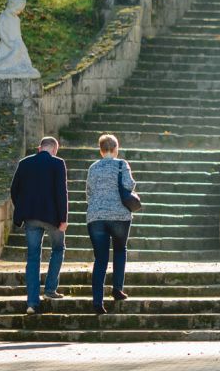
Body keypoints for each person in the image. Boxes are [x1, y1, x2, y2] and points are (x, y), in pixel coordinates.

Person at [10, 136, 69, 315]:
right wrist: (64, 218)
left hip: (30, 218)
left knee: (33, 258)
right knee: (58, 249)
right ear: (54, 149)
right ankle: (50, 289)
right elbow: (61, 192)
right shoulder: (58, 164)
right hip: (53, 217)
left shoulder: (24, 163)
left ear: (39, 148)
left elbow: (14, 189)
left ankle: (32, 303)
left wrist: (22, 207)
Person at [86, 133, 137, 314]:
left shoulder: (93, 168)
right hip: (119, 216)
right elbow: (129, 185)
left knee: (100, 259)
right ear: (116, 149)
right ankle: (117, 289)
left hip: (96, 217)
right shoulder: (122, 164)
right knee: (120, 250)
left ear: (101, 151)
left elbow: (89, 191)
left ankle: (97, 301)